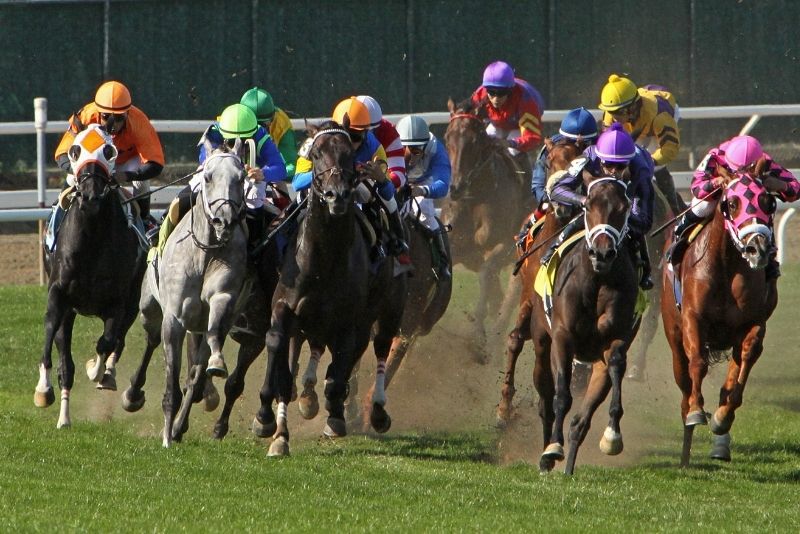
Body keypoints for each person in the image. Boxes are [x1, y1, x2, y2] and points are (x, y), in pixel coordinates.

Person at [156, 103, 286, 256]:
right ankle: (160, 241)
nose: (238, 145)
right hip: (217, 172)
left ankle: (253, 249)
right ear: (223, 135)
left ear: (253, 133)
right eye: (232, 142)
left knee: (254, 198)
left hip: (248, 174)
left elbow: (280, 168)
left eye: (245, 140)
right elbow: (204, 159)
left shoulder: (261, 135)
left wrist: (263, 173)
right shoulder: (213, 132)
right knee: (184, 197)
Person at [543, 122, 656, 290]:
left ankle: (646, 270)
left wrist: (620, 216)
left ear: (629, 162)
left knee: (633, 232)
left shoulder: (640, 169)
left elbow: (644, 221)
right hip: (594, 198)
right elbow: (557, 190)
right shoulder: (589, 155)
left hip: (627, 199)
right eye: (608, 164)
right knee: (589, 216)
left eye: (620, 166)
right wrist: (583, 201)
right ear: (600, 159)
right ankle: (552, 252)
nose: (613, 171)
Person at [670, 134, 800, 279]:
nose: (743, 175)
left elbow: (796, 188)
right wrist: (715, 182)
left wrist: (781, 185)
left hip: (750, 206)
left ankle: (769, 258)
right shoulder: (715, 157)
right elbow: (696, 187)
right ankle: (677, 240)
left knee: (763, 211)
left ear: (756, 162)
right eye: (738, 170)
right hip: (721, 199)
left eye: (749, 169)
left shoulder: (765, 161)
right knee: (702, 206)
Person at [292, 96, 408, 258]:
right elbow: (297, 183)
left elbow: (387, 191)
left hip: (355, 187)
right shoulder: (312, 143)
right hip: (321, 188)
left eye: (355, 137)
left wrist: (381, 179)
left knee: (379, 196)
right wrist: (326, 173)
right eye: (345, 135)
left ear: (367, 133)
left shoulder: (374, 147)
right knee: (298, 199)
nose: (349, 143)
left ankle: (398, 237)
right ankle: (283, 238)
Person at [52, 80, 165, 239]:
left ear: (128, 113)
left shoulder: (139, 122)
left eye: (119, 118)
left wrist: (127, 176)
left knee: (141, 181)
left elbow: (156, 163)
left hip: (125, 165)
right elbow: (62, 154)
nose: (113, 124)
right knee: (71, 178)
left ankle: (144, 220)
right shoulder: (85, 117)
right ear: (98, 113)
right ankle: (56, 218)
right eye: (106, 117)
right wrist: (80, 171)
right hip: (92, 165)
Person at [515, 107, 600, 249]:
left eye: (584, 144)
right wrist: (550, 199)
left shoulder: (600, 149)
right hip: (553, 200)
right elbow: (537, 185)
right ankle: (523, 240)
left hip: (587, 201)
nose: (577, 147)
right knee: (544, 207)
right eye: (571, 141)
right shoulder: (548, 151)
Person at [599, 74, 684, 215]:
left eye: (618, 113)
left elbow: (670, 149)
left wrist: (650, 160)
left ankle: (674, 206)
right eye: (611, 112)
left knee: (654, 165)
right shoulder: (612, 114)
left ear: (631, 108)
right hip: (640, 117)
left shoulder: (660, 117)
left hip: (657, 118)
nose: (614, 117)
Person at [396, 114, 451, 280]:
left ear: (425, 146)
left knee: (426, 213)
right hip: (396, 178)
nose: (410, 156)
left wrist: (422, 190)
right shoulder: (388, 146)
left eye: (416, 150)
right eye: (405, 149)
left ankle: (442, 261)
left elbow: (442, 185)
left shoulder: (437, 151)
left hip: (423, 182)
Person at [470, 60, 545, 161]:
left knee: (510, 152)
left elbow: (533, 138)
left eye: (501, 93)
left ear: (510, 90)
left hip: (519, 127)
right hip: (496, 125)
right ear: (485, 89)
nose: (496, 99)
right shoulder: (479, 96)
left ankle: (523, 175)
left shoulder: (525, 100)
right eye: (491, 92)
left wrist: (510, 143)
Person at [240, 87, 298, 183]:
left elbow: (290, 165)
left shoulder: (282, 123)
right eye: (252, 125)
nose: (259, 130)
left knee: (279, 185)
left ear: (273, 117)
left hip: (267, 170)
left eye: (264, 124)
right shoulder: (230, 123)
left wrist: (266, 174)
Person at [356, 95, 407, 188]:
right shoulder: (337, 133)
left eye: (370, 131)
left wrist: (381, 178)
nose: (366, 136)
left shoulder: (388, 132)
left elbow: (400, 176)